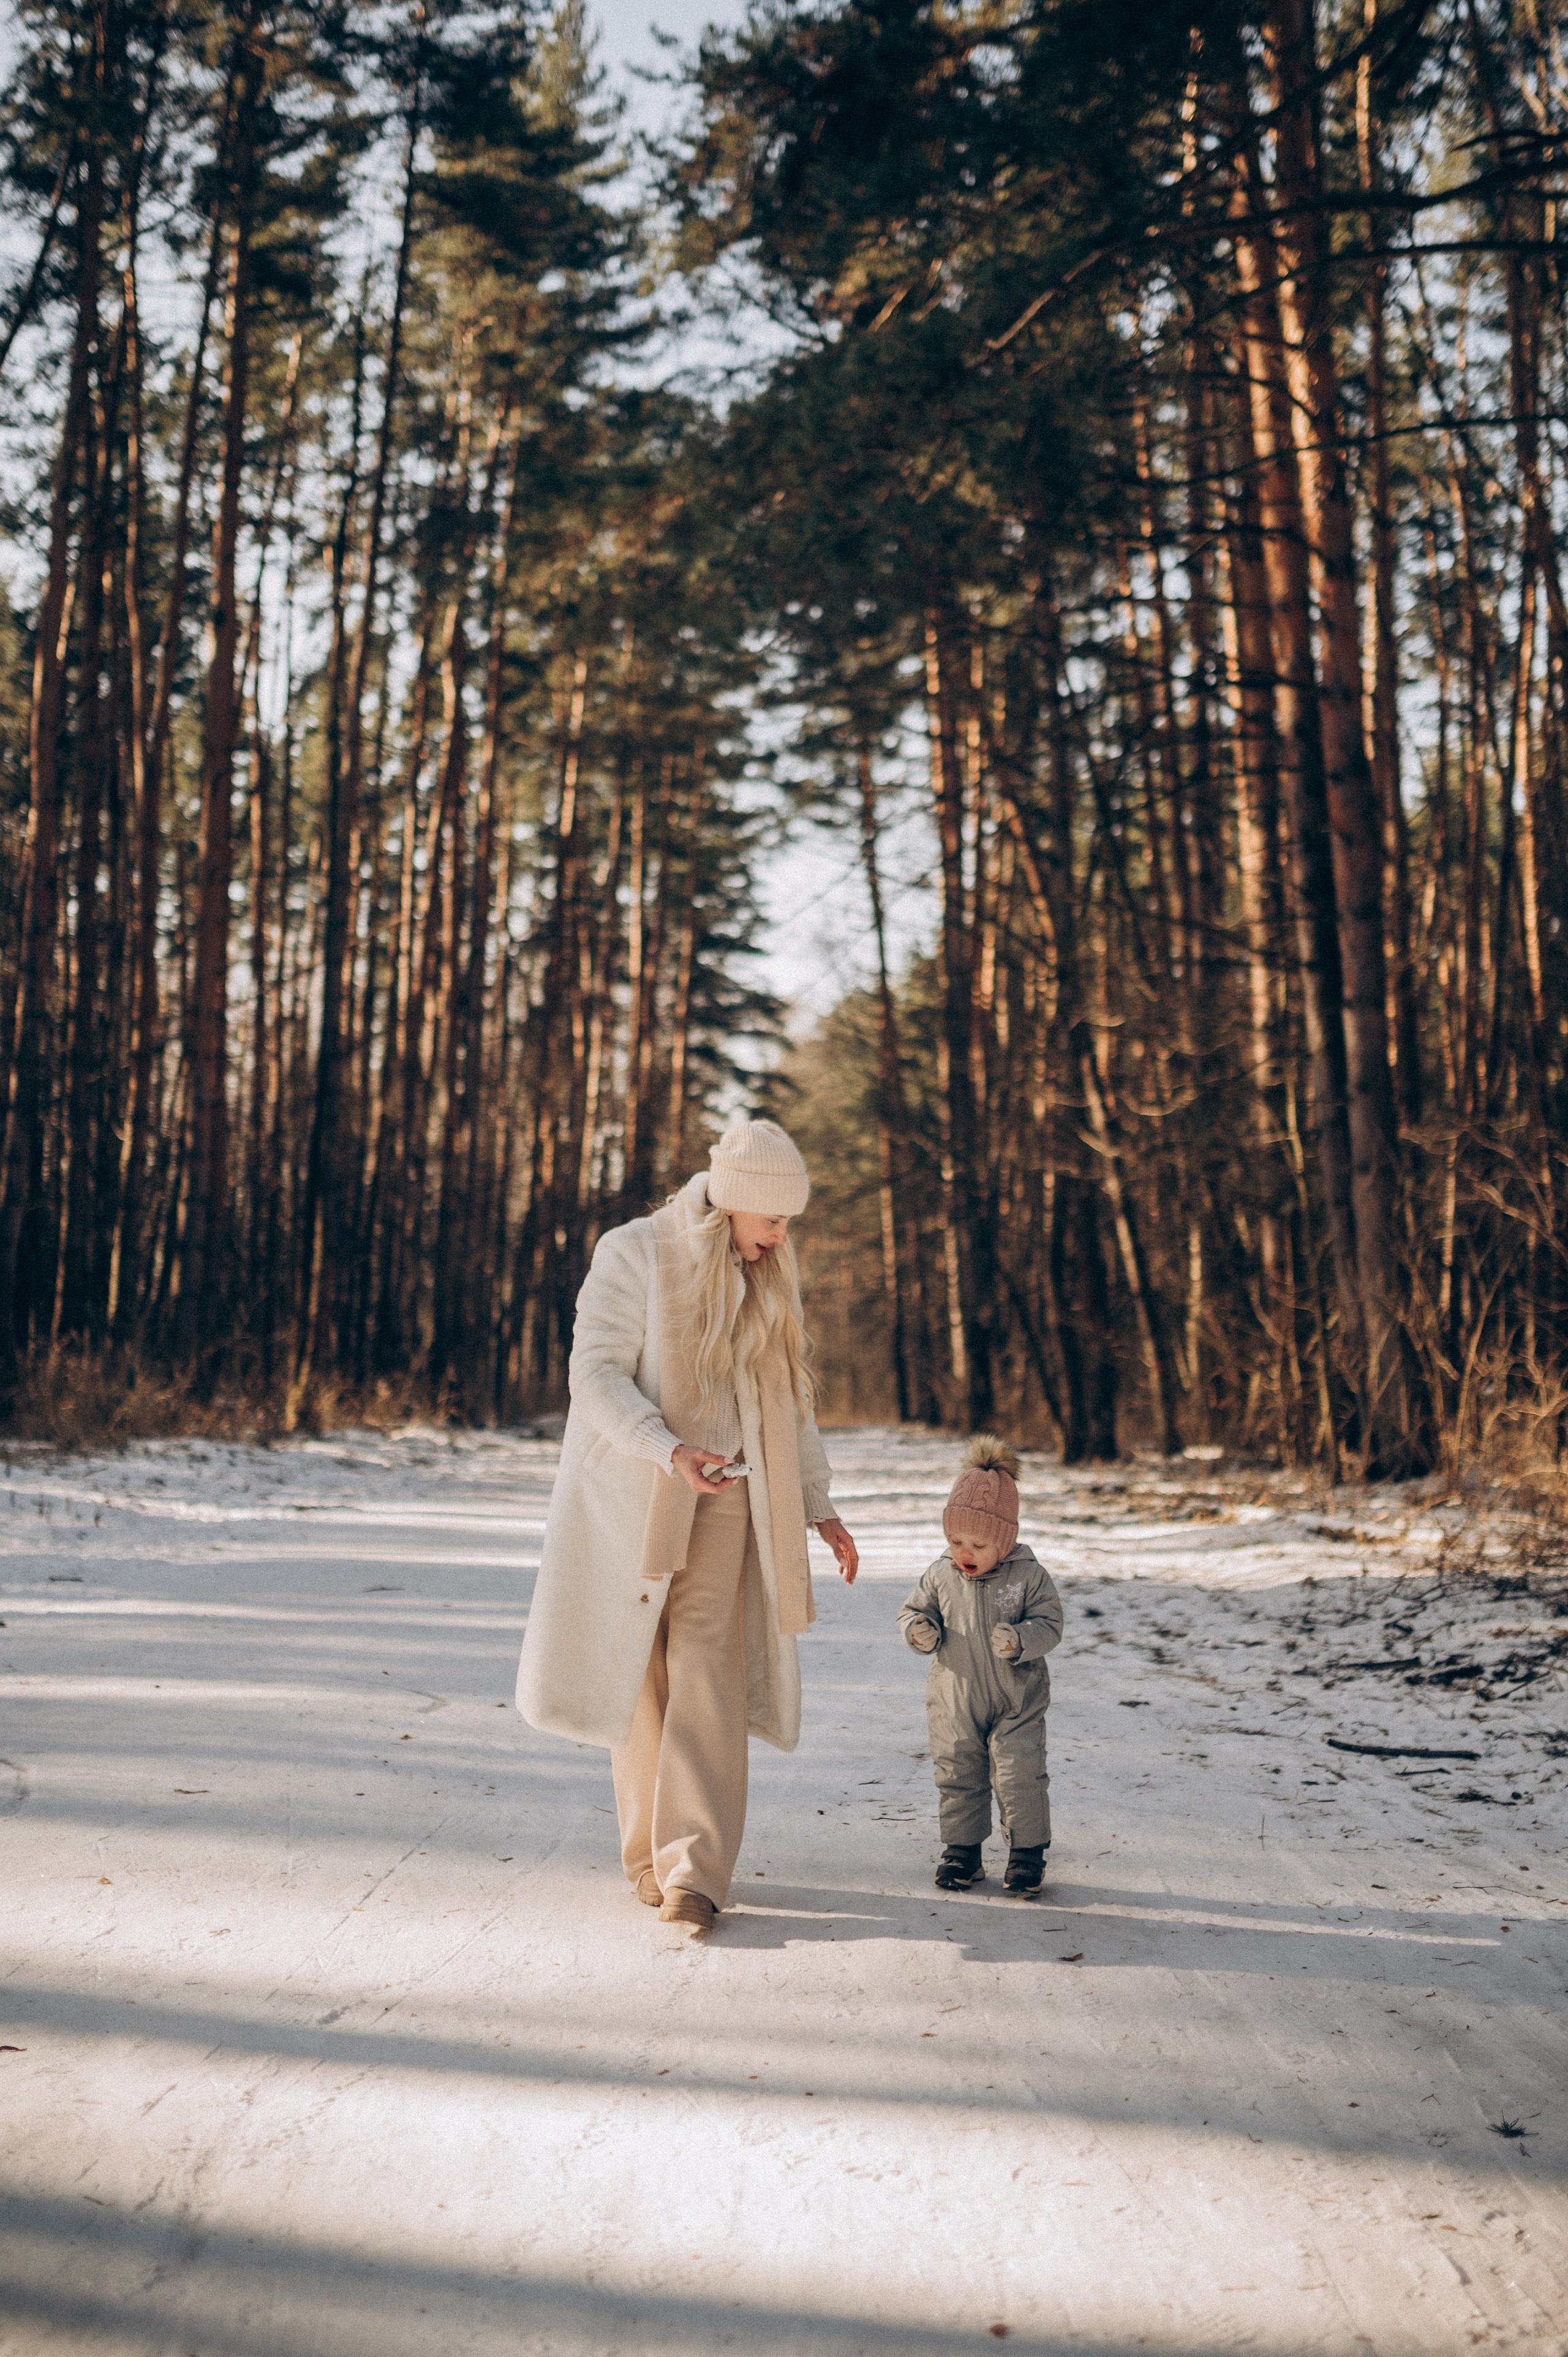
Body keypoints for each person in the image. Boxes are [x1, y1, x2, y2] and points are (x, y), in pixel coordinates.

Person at [515, 1117, 859, 1937]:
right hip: (640, 1494)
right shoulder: (633, 1252)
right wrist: (665, 1449)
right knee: (643, 1677)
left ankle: (695, 1871)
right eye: (774, 1217)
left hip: (733, 1497)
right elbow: (592, 1374)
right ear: (733, 1202)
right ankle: (647, 1856)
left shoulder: (769, 1271)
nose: (783, 1234)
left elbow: (790, 1397)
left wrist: (819, 1503)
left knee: (709, 1664)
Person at [898, 1436, 1063, 1896]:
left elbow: (1051, 1624)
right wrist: (918, 1629)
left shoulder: (1029, 1577)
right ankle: (963, 1852)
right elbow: (912, 1611)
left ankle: (1027, 1854)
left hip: (1018, 1697)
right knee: (958, 1771)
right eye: (956, 1540)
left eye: (978, 1543)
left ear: (1005, 1540)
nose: (964, 1552)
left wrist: (1022, 1639)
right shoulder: (939, 1575)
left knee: (1019, 1773)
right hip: (955, 1697)